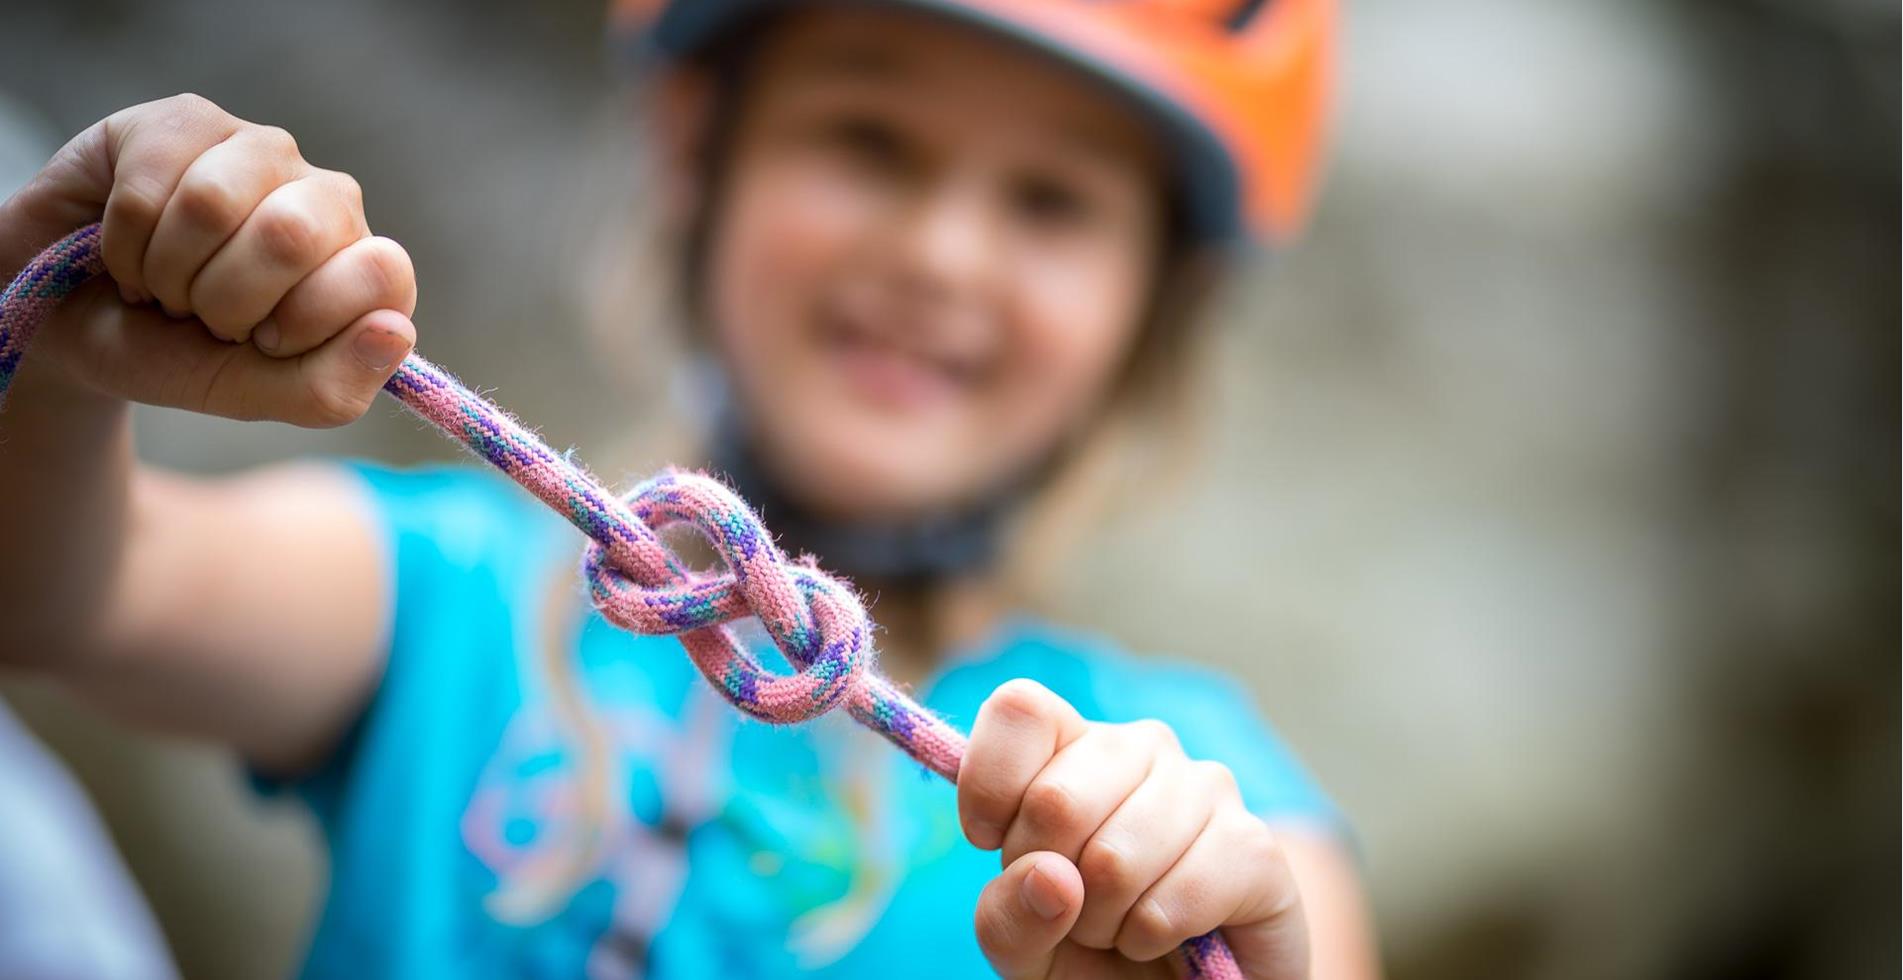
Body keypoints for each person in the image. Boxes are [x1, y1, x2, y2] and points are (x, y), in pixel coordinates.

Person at [0, 0, 1379, 976]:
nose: (945, 254)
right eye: (868, 141)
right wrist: (55, 374)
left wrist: (1207, 928)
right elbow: (64, 593)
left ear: (1150, 316)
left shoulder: (1190, 796)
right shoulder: (449, 596)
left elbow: (1280, 919)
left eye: (1052, 204)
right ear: (693, 157)